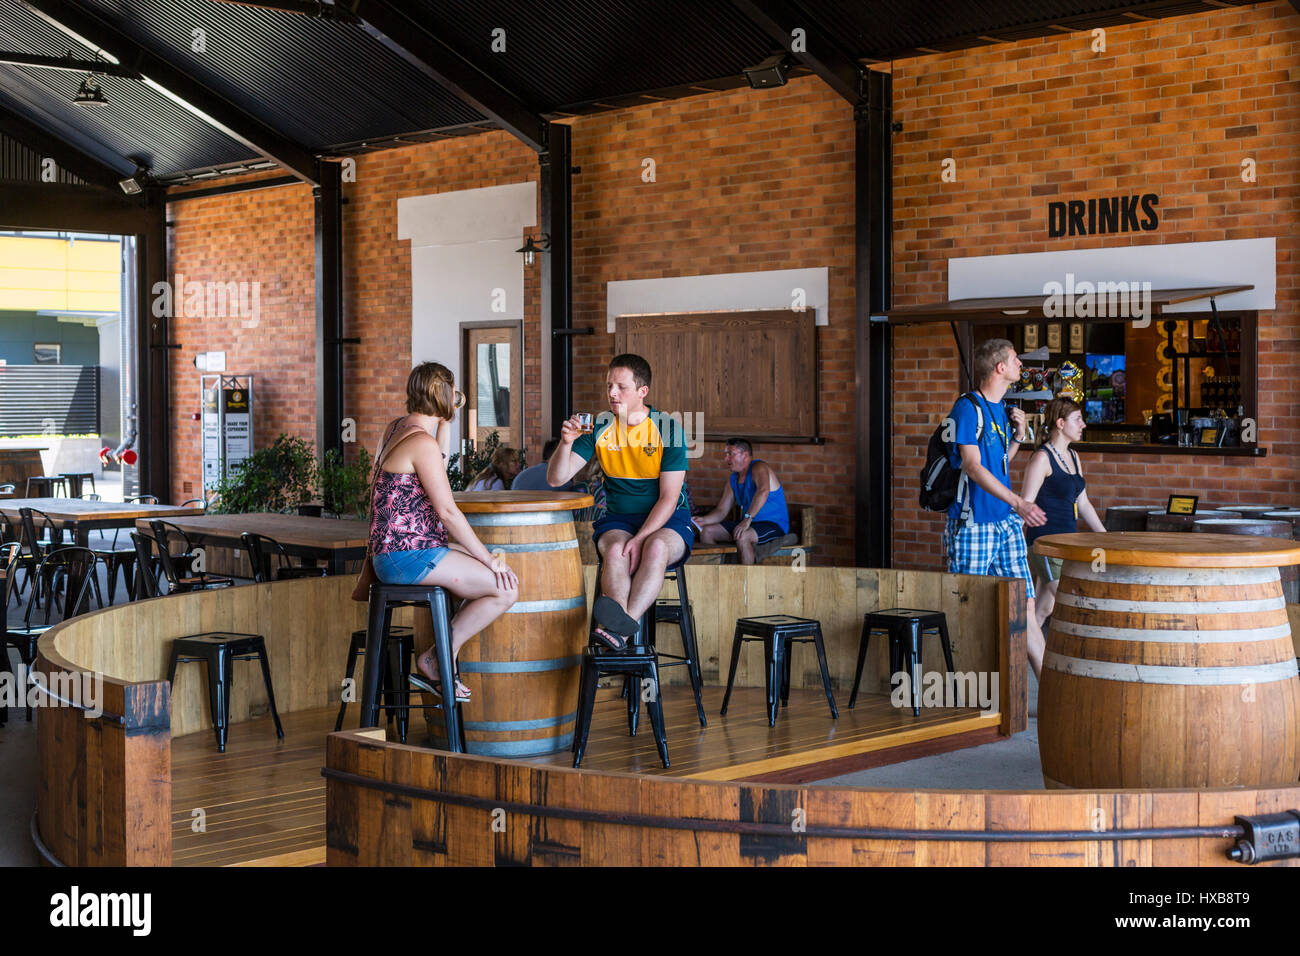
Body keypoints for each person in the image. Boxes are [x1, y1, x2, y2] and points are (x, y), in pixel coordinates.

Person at [369, 362, 519, 701]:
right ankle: (437, 658)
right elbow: (448, 512)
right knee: (504, 588)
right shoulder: (420, 442)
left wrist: (448, 419)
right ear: (445, 396)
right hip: (408, 556)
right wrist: (489, 560)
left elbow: (436, 457)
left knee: (487, 567)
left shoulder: (396, 429)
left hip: (391, 551)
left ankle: (442, 657)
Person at [546, 353, 691, 651]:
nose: (612, 393)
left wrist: (640, 538)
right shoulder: (599, 426)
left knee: (656, 548)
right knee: (615, 551)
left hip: (668, 519)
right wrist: (566, 442)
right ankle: (617, 630)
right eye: (609, 385)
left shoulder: (668, 429)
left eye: (621, 387)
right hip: (618, 519)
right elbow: (556, 479)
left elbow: (668, 498)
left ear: (642, 391)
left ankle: (619, 631)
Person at [944, 338, 1049, 678]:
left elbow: (997, 465)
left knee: (1025, 606)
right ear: (1000, 367)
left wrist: (1017, 437)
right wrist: (1019, 502)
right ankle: (967, 694)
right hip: (974, 523)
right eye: (1016, 359)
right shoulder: (966, 408)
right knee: (969, 608)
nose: (1022, 365)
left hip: (1003, 523)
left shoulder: (1001, 412)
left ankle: (1051, 690)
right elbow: (973, 467)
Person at [1020, 396, 1107, 629]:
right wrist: (1012, 541)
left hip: (1068, 542)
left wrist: (1104, 535)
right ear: (1060, 423)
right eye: (1077, 419)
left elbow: (1084, 503)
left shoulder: (1073, 456)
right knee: (1071, 600)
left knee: (1042, 610)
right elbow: (1025, 503)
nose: (1083, 424)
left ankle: (1020, 662)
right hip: (1045, 543)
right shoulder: (1041, 458)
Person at [695, 438, 790, 564]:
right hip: (749, 524)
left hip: (773, 524)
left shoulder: (759, 467)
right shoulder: (733, 479)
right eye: (726, 454)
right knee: (707, 532)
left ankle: (746, 582)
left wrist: (747, 519)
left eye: (730, 454)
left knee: (742, 536)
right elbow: (722, 510)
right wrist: (702, 521)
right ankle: (719, 576)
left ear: (745, 455)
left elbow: (763, 491)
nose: (726, 459)